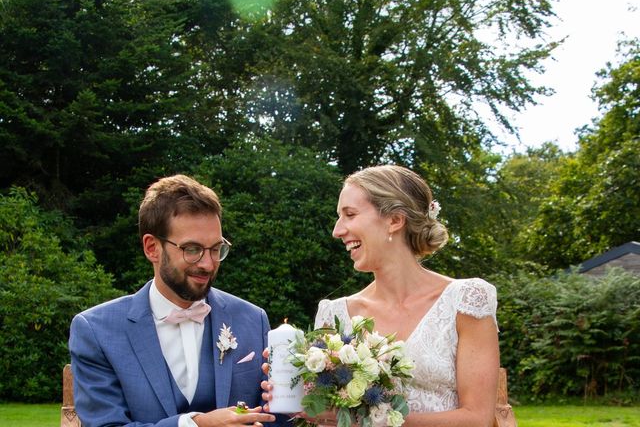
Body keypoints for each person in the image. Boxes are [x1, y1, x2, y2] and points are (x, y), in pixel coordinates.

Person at [265, 165, 500, 427]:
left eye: (350, 215)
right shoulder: (334, 314)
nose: (337, 230)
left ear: (395, 220)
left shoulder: (465, 300)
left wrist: (372, 422)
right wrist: (290, 386)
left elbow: (478, 419)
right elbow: (322, 413)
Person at [69, 174, 278, 427]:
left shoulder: (253, 319)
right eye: (192, 249)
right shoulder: (96, 331)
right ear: (151, 248)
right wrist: (196, 425)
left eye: (216, 249)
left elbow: (276, 418)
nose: (208, 263)